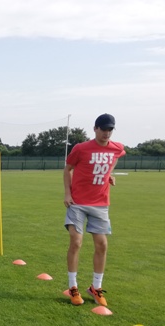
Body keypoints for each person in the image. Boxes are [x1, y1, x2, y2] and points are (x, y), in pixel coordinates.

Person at [64, 113, 125, 306]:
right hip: (77, 203)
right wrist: (67, 194)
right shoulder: (81, 148)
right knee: (76, 242)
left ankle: (95, 288)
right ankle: (73, 287)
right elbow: (68, 169)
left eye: (110, 129)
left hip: (100, 204)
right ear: (95, 129)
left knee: (102, 245)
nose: (107, 133)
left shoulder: (117, 148)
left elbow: (115, 158)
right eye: (104, 129)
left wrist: (109, 174)